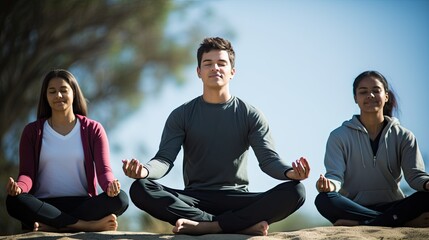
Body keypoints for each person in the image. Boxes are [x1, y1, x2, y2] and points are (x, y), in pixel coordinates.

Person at [122, 37, 310, 236]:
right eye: (208, 64)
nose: (215, 68)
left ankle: (208, 226)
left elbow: (269, 160)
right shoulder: (182, 114)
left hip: (238, 200)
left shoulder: (250, 114)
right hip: (194, 200)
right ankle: (233, 225)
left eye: (222, 63)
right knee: (140, 188)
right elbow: (164, 159)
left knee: (296, 191)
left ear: (232, 72)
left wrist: (291, 173)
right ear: (199, 72)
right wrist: (144, 171)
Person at [6, 69, 129, 232]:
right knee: (14, 201)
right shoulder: (32, 132)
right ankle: (84, 226)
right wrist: (20, 187)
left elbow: (104, 171)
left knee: (120, 198)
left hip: (82, 204)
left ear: (74, 93)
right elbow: (26, 174)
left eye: (63, 90)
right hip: (44, 205)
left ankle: (55, 226)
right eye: (52, 91)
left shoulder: (93, 129)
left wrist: (110, 185)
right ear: (46, 96)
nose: (58, 96)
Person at [315, 70, 429, 227]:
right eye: (363, 92)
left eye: (376, 90)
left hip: (395, 205)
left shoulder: (404, 136)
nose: (370, 95)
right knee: (324, 199)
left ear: (386, 96)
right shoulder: (338, 136)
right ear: (355, 98)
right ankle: (399, 222)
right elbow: (335, 177)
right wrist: (328, 185)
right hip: (354, 207)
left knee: (426, 197)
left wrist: (427, 183)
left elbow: (416, 177)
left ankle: (364, 223)